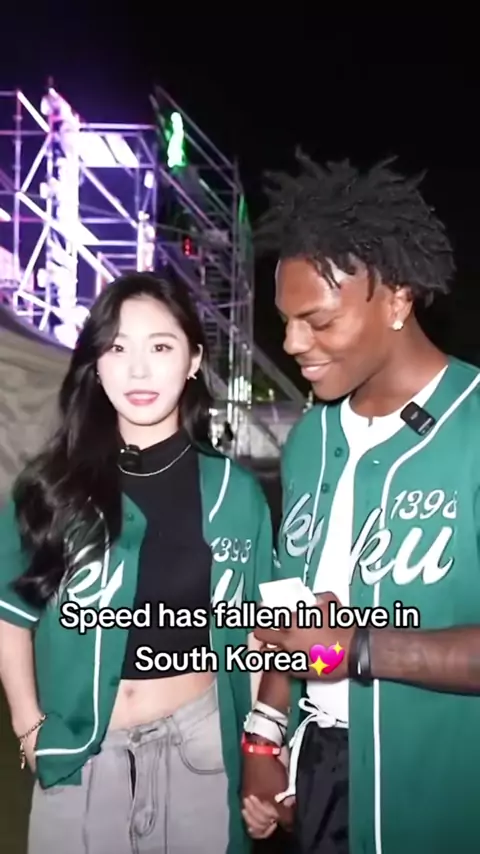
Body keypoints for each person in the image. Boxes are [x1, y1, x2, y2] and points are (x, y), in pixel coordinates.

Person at [241, 152, 480, 854]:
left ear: (397, 299)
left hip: (444, 789)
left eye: (317, 320)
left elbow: (335, 644)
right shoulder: (310, 439)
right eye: (286, 320)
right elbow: (294, 620)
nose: (293, 343)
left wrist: (358, 649)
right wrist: (264, 737)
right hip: (321, 774)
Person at [0, 271, 275, 854]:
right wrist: (28, 726)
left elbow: (257, 635)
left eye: (161, 347)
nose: (139, 370)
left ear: (193, 360)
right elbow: (11, 614)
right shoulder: (49, 488)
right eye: (118, 348)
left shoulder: (235, 494)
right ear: (96, 365)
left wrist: (264, 750)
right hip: (80, 757)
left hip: (202, 753)